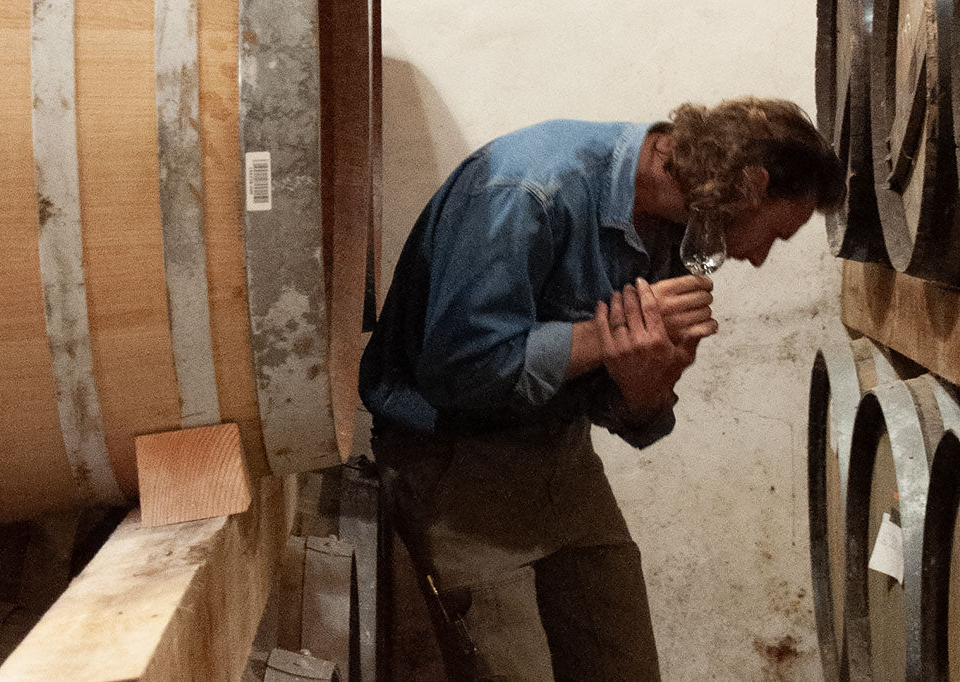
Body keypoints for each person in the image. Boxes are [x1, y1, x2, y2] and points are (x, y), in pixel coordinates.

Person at [359, 96, 845, 681]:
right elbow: (456, 368)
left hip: (561, 455)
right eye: (773, 234)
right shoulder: (529, 188)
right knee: (512, 670)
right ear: (750, 184)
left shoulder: (685, 234)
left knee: (624, 666)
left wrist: (647, 387)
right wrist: (602, 335)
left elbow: (624, 410)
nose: (759, 258)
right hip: (449, 461)